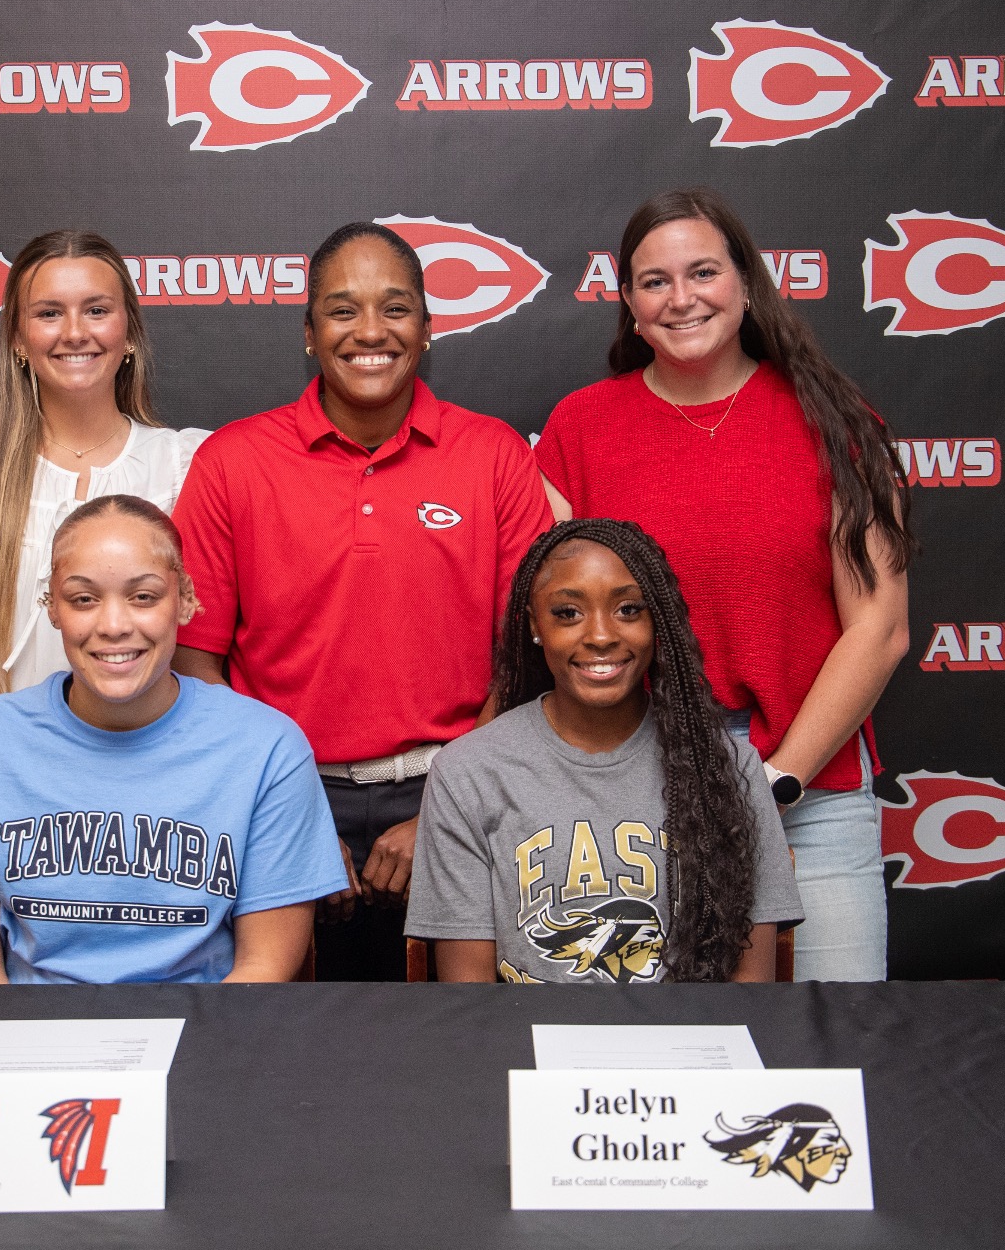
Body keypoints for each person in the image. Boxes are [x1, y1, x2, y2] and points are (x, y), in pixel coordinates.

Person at [535, 188, 912, 982]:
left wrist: (773, 783)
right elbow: (555, 621)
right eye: (654, 281)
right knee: (658, 1056)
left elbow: (879, 627)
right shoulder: (580, 426)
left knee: (829, 1043)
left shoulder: (833, 419)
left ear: (745, 282)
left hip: (809, 794)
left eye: (702, 271)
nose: (682, 298)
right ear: (631, 307)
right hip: (639, 802)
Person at [171, 222, 554, 980]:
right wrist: (291, 818)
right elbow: (194, 663)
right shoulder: (232, 462)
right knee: (288, 1053)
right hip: (282, 793)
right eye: (343, 311)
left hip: (462, 787)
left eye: (396, 308)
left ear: (428, 328)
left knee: (456, 1049)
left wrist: (446, 808)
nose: (370, 331)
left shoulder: (496, 456)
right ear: (310, 334)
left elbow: (528, 663)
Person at [0, 495, 347, 984]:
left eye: (143, 596)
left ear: (187, 600)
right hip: (27, 1044)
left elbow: (264, 968)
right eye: (83, 599)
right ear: (52, 607)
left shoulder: (268, 750)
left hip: (206, 1038)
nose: (113, 626)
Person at [407, 519, 801, 984]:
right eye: (568, 613)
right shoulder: (468, 773)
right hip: (528, 1048)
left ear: (659, 622)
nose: (600, 635)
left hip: (687, 1049)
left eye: (629, 609)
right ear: (535, 624)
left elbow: (751, 997)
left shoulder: (726, 766)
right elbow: (468, 1001)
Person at [0, 230, 208, 796]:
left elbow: (202, 649)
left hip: (154, 786)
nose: (74, 332)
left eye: (96, 310)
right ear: (18, 338)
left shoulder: (185, 466)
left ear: (129, 332)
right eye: (48, 313)